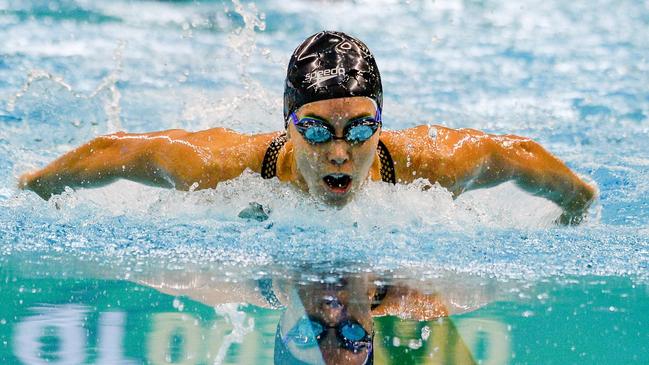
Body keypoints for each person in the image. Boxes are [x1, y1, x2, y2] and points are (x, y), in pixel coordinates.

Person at [19, 31, 595, 224]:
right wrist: (29, 192)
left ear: (380, 124)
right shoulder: (224, 169)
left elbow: (515, 153)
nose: (340, 151)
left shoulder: (432, 166)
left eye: (360, 129)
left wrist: (575, 209)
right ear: (288, 126)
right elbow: (118, 151)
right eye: (318, 130)